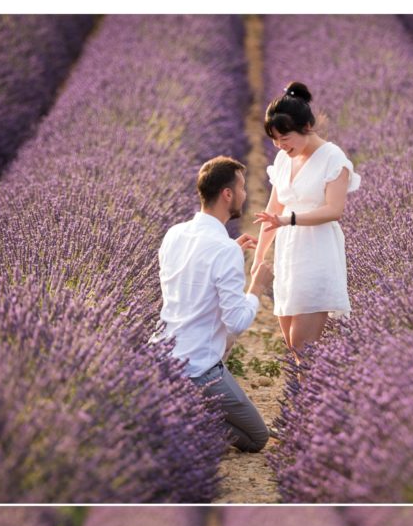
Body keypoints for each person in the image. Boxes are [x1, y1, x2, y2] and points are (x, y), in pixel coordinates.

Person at [151, 156, 275, 452]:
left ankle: (173, 408)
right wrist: (257, 286)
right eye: (243, 188)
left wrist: (230, 252)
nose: (245, 195)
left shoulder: (174, 234)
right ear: (227, 194)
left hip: (161, 358)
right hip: (198, 368)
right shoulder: (222, 250)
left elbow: (193, 277)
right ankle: (190, 414)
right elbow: (237, 322)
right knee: (258, 438)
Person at [251, 82, 361, 358]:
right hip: (288, 255)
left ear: (306, 127)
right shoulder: (283, 159)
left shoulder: (333, 159)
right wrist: (258, 259)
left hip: (317, 252)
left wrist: (288, 219)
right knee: (292, 344)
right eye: (275, 139)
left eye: (284, 137)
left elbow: (334, 210)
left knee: (304, 346)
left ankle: (309, 400)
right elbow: (271, 211)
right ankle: (305, 398)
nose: (279, 144)